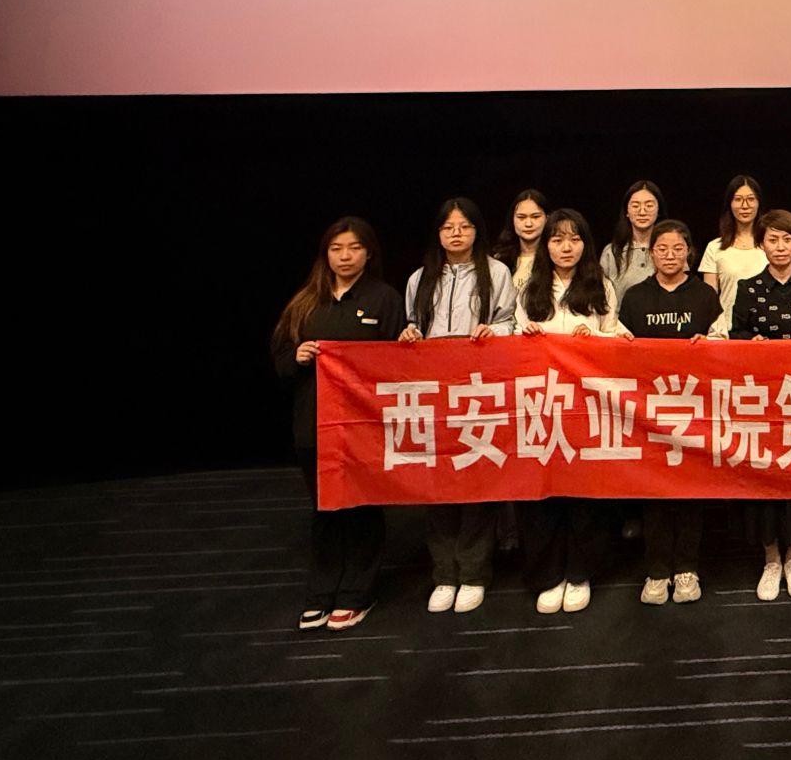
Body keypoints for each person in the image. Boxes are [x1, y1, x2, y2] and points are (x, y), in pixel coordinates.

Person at [268, 217, 404, 632]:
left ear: (369, 252)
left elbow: (399, 363)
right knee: (325, 508)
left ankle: (357, 592)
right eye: (337, 249)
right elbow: (280, 359)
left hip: (363, 423)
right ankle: (322, 592)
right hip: (314, 422)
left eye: (354, 248)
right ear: (325, 254)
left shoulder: (383, 298)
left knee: (362, 507)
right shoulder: (306, 301)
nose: (345, 257)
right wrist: (298, 357)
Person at [400, 198, 516, 615]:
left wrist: (495, 330)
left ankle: (474, 572)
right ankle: (444, 573)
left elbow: (510, 321)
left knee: (477, 482)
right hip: (433, 395)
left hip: (477, 392)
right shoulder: (419, 278)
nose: (456, 234)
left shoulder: (497, 273)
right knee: (439, 485)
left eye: (464, 227)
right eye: (448, 227)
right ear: (438, 233)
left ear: (476, 231)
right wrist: (409, 333)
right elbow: (412, 323)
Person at [514, 208, 629, 614]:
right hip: (541, 406)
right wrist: (524, 335)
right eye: (558, 239)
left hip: (587, 406)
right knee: (543, 491)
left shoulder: (601, 286)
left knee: (584, 492)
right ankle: (548, 575)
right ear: (546, 245)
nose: (566, 247)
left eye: (574, 239)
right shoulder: (529, 289)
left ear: (586, 244)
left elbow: (619, 340)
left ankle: (581, 573)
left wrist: (594, 336)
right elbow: (512, 342)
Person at [615, 219, 722, 606]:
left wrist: (710, 342)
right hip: (648, 411)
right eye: (662, 249)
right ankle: (657, 571)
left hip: (695, 408)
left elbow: (722, 340)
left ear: (689, 252)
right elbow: (618, 348)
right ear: (651, 253)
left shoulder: (705, 296)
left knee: (690, 491)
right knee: (655, 493)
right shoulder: (635, 297)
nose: (670, 255)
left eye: (678, 248)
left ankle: (687, 568)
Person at [729, 208, 791, 601]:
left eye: (787, 239)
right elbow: (737, 333)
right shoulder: (749, 287)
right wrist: (748, 342)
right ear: (762, 244)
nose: (781, 246)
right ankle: (771, 558)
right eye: (772, 239)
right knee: (766, 475)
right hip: (762, 397)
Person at [699, 174, 769, 337]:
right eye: (738, 199)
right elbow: (710, 298)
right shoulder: (715, 247)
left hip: (765, 332)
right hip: (727, 333)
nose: (745, 206)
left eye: (751, 199)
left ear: (759, 203)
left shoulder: (770, 245)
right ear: (729, 204)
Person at [600, 180, 664, 294]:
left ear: (658, 210)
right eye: (635, 206)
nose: (642, 212)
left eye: (649, 205)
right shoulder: (612, 252)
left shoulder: (671, 250)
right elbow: (600, 294)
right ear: (627, 211)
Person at [492, 190, 550, 289]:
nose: (528, 224)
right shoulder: (499, 259)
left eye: (535, 217)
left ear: (547, 219)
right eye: (521, 217)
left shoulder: (555, 259)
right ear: (512, 219)